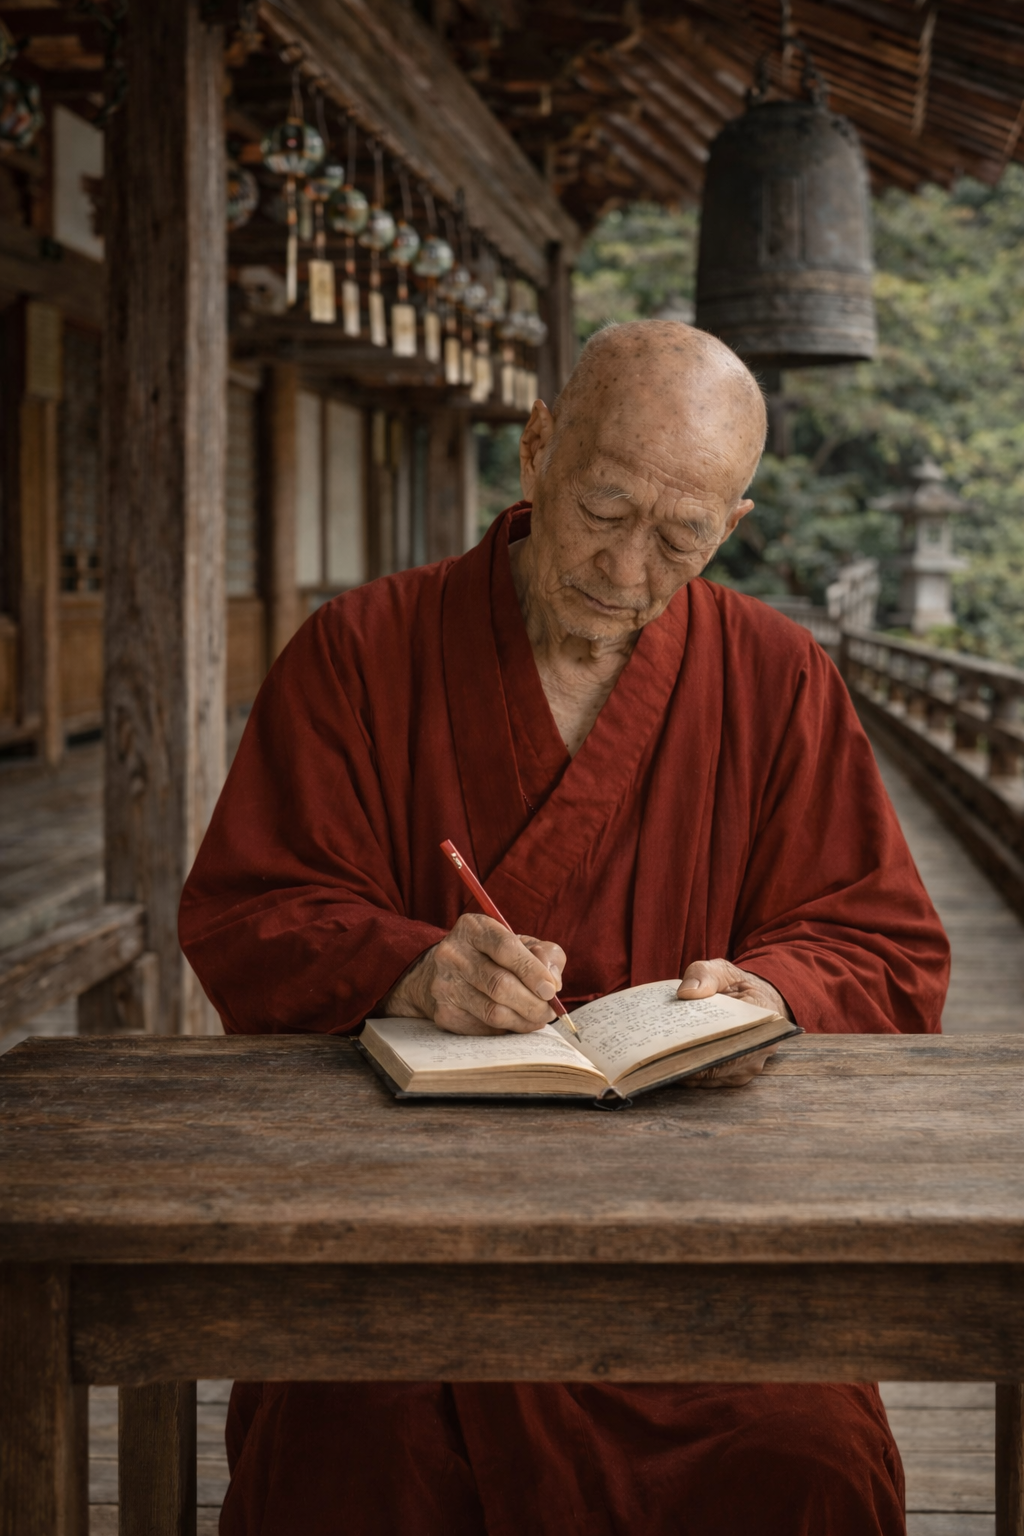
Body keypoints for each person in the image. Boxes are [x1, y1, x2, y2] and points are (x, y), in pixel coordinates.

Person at [180, 320, 948, 1536]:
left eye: (679, 537)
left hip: (701, 1239)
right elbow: (253, 908)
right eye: (603, 508)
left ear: (732, 525)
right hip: (400, 1225)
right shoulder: (361, 650)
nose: (626, 567)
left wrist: (771, 995)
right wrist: (412, 968)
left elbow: (882, 945)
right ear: (537, 448)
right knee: (350, 1452)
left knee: (808, 1457)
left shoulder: (777, 677)